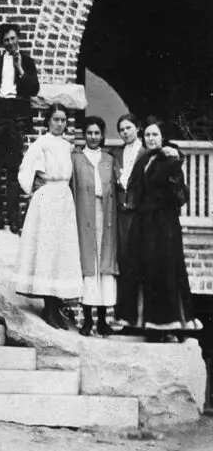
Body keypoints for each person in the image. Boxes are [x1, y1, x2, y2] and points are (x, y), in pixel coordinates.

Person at [126, 118, 201, 340]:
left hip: (164, 223)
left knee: (165, 270)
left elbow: (180, 195)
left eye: (155, 135)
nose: (150, 139)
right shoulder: (144, 160)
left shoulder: (169, 160)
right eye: (147, 135)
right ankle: (150, 323)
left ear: (162, 137)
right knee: (146, 270)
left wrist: (176, 165)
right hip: (144, 223)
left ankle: (169, 325)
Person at [15, 104, 82, 329]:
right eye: (56, 119)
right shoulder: (40, 145)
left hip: (64, 198)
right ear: (48, 121)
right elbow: (24, 171)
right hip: (47, 198)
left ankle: (56, 305)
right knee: (47, 249)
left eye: (63, 120)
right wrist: (34, 183)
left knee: (61, 252)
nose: (60, 124)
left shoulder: (67, 146)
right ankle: (48, 307)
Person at [0, 23, 40, 233]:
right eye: (6, 40)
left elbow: (33, 88)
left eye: (13, 39)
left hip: (16, 115)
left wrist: (20, 68)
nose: (11, 43)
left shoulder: (27, 62)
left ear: (18, 39)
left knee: (14, 169)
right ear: (1, 43)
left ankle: (13, 217)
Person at [71, 116, 118, 337]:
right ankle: (88, 320)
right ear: (84, 135)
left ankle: (103, 321)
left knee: (104, 267)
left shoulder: (109, 159)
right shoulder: (77, 159)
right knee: (89, 266)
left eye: (96, 133)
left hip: (105, 214)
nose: (93, 137)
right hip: (85, 215)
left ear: (102, 135)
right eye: (89, 133)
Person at [112, 113, 145, 329]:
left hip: (141, 214)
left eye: (129, 127)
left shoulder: (146, 153)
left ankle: (143, 319)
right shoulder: (117, 154)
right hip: (122, 215)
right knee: (123, 263)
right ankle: (124, 318)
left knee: (141, 263)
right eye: (122, 129)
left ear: (138, 128)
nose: (125, 132)